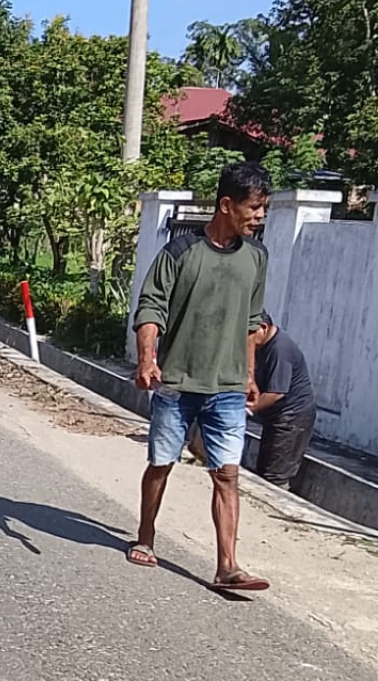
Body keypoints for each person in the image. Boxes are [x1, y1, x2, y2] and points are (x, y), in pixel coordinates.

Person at [128, 161, 271, 591]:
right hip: (177, 383)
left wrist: (248, 374)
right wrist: (147, 359)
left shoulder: (257, 258)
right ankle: (146, 536)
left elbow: (252, 321)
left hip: (226, 387)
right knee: (160, 464)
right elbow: (150, 308)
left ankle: (227, 565)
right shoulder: (180, 252)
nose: (260, 216)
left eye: (264, 209)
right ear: (226, 205)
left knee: (227, 473)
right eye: (255, 208)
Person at [247, 313, 316, 490]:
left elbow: (275, 393)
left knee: (275, 475)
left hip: (293, 418)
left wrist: (245, 411)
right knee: (265, 468)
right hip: (276, 417)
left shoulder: (279, 350)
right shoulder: (262, 348)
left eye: (249, 334)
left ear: (263, 327)